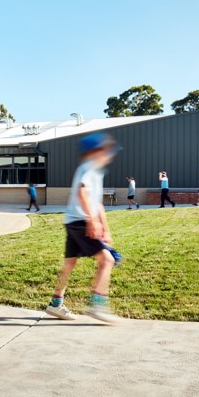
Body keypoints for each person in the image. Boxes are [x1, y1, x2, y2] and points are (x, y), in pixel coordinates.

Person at [45, 132, 122, 323]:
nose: (109, 155)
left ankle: (55, 305)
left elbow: (98, 203)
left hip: (74, 221)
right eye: (106, 150)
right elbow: (81, 192)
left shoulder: (95, 170)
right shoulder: (88, 168)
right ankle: (98, 305)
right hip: (81, 222)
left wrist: (105, 227)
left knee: (70, 263)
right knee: (107, 260)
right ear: (94, 151)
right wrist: (91, 221)